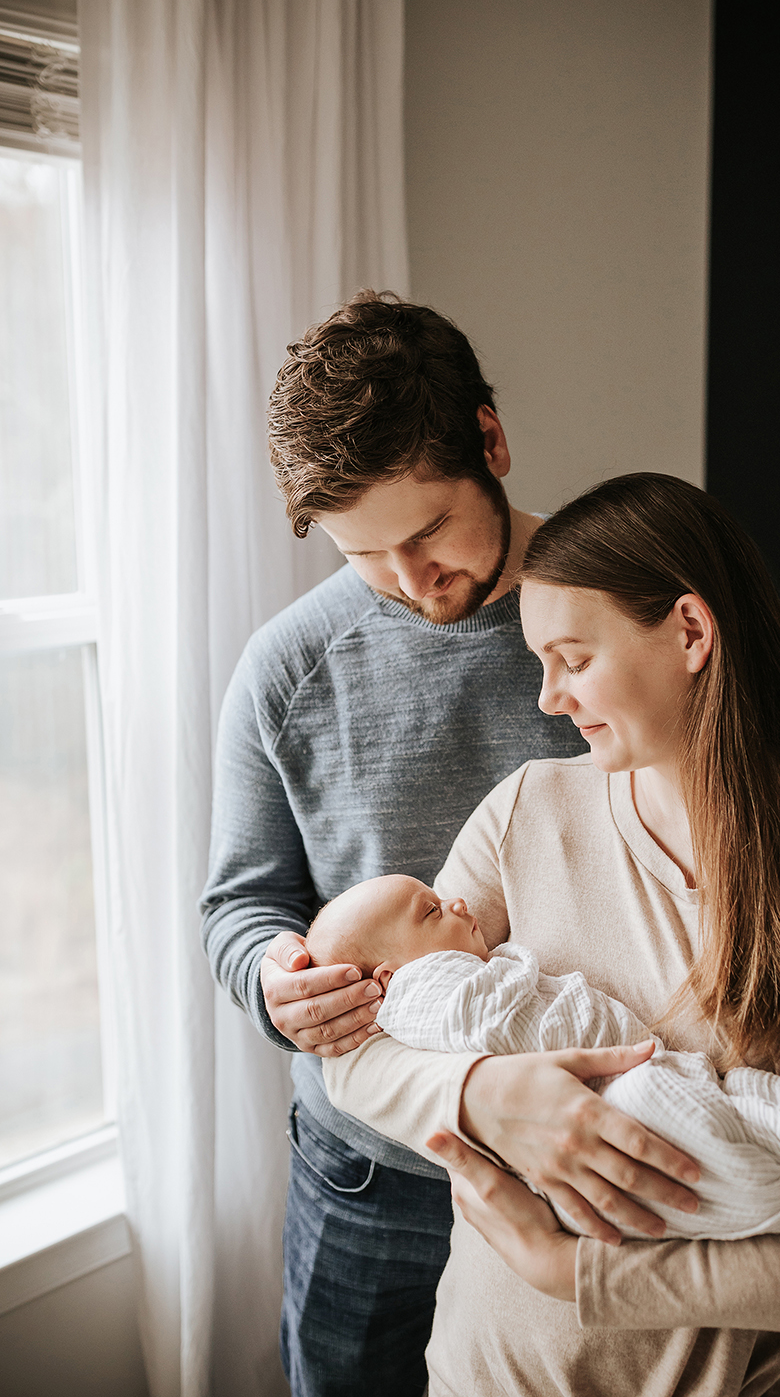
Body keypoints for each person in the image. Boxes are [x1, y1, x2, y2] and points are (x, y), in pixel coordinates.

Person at [322, 473, 780, 1397]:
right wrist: (486, 1096)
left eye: (572, 658)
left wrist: (566, 1268)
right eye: (539, 662)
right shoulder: (526, 810)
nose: (549, 700)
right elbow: (362, 1044)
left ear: (691, 633)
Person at [199, 291, 590, 1397]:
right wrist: (274, 981)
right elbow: (238, 904)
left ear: (492, 440)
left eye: (427, 533)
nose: (413, 582)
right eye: (367, 555)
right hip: (368, 1178)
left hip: (575, 1151)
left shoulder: (611, 623)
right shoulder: (284, 669)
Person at [308, 871, 780, 1242]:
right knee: (651, 1097)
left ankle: (776, 1156)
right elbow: (363, 1052)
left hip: (652, 1074)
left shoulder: (454, 966)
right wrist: (480, 1091)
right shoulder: (423, 995)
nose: (459, 902)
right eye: (432, 909)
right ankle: (772, 1190)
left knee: (716, 1090)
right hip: (610, 1104)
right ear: (389, 979)